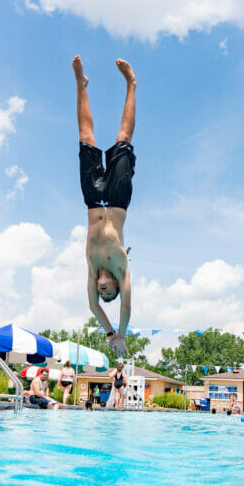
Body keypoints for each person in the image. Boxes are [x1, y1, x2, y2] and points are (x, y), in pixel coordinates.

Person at [73, 55, 135, 357]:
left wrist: (105, 332)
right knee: (123, 138)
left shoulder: (92, 267)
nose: (103, 291)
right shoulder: (121, 267)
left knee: (86, 138)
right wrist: (118, 334)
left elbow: (92, 306)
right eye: (109, 291)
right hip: (118, 199)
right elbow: (125, 307)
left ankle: (80, 84)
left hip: (92, 199)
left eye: (103, 292)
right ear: (116, 286)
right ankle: (131, 84)